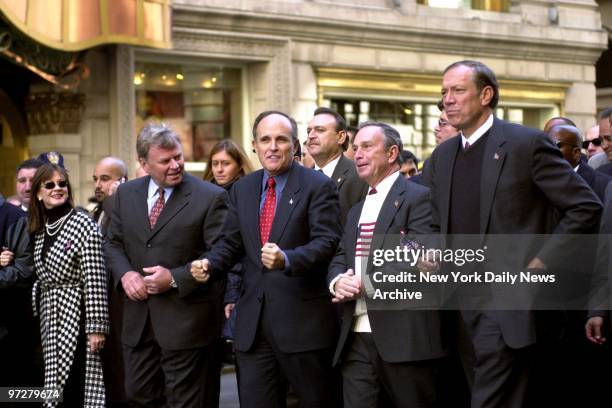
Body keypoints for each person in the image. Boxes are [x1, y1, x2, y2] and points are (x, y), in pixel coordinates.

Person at [424, 60, 601, 408]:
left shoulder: (525, 143)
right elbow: (430, 221)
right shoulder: (442, 156)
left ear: (486, 94)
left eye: (457, 91)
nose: (447, 100)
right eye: (443, 92)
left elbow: (585, 207)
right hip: (456, 306)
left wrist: (541, 261)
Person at [193, 111, 342, 408]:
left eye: (281, 140)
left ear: (295, 145)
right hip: (253, 326)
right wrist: (210, 263)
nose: (272, 146)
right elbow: (230, 242)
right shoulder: (243, 188)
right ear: (254, 145)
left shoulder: (317, 185)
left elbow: (328, 242)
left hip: (302, 327)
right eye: (265, 140)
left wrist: (288, 259)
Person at [105, 123, 229, 407]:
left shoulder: (209, 197)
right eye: (165, 161)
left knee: (185, 403)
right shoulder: (126, 194)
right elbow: (112, 243)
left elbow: (222, 253)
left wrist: (174, 278)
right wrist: (125, 275)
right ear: (144, 164)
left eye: (178, 157)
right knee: (138, 395)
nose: (175, 165)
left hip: (186, 323)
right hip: (138, 323)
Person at [328, 122, 445, 407]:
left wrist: (365, 284)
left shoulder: (419, 197)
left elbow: (422, 258)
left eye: (367, 147)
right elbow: (340, 256)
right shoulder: (356, 209)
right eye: (355, 148)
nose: (358, 154)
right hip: (354, 336)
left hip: (404, 338)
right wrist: (337, 281)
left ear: (392, 153)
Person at [28, 163, 109, 407]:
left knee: (75, 386)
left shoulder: (83, 224)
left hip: (78, 318)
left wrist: (96, 327)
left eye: (62, 184)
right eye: (50, 185)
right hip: (50, 319)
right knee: (54, 387)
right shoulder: (40, 230)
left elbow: (95, 278)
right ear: (39, 193)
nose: (57, 188)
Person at [203, 139, 253, 342]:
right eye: (215, 164)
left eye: (226, 163)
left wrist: (232, 294)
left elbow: (235, 248)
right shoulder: (205, 195)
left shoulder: (244, 195)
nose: (219, 169)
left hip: (235, 282)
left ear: (239, 165)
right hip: (208, 281)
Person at [307, 107, 368, 225]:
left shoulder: (361, 176)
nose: (311, 135)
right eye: (308, 131)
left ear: (340, 137)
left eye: (319, 130)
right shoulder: (300, 178)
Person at [549, 125, 611, 202]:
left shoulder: (604, 185)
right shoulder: (539, 180)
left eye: (597, 142)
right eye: (586, 144)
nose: (590, 148)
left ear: (576, 152)